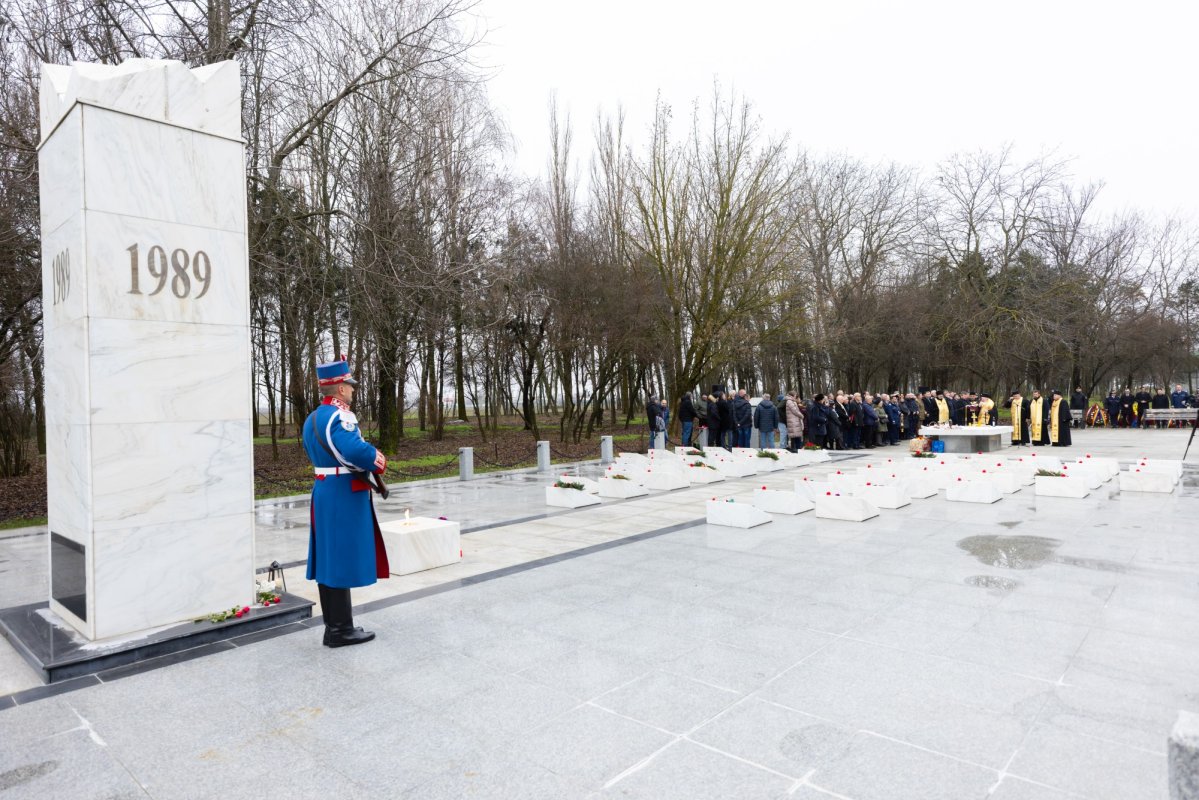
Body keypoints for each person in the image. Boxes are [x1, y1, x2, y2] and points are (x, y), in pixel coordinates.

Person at [303, 358, 389, 648]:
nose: (352, 390)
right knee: (339, 558)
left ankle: (335, 627)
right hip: (343, 492)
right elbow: (356, 451)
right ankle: (340, 630)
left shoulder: (313, 417)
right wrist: (378, 458)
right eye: (349, 386)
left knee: (329, 558)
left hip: (324, 490)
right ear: (340, 388)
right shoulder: (341, 416)